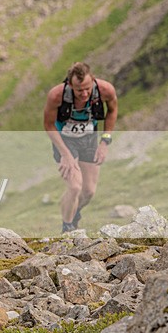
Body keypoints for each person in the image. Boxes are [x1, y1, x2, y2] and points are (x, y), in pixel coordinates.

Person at [43, 62, 118, 233]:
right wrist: (65, 154)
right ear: (70, 85)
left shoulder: (105, 90)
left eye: (87, 88)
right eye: (79, 90)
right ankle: (67, 228)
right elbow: (48, 125)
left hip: (89, 138)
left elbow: (112, 111)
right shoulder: (56, 95)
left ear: (92, 80)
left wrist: (105, 141)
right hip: (65, 140)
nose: (84, 94)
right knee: (75, 186)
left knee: (89, 191)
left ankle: (74, 212)